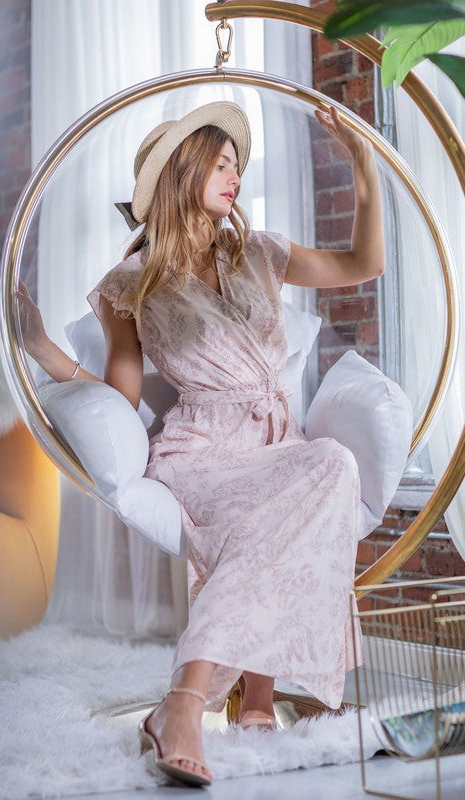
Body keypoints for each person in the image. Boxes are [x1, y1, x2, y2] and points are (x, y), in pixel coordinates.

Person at [19, 100, 384, 788]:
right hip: (199, 451)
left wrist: (364, 172)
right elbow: (119, 400)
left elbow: (364, 263)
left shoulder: (262, 253)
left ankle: (219, 701)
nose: (235, 175)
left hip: (277, 443)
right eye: (221, 162)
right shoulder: (130, 285)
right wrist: (42, 348)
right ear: (181, 172)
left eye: (238, 165)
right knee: (303, 487)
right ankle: (203, 701)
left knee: (329, 465)